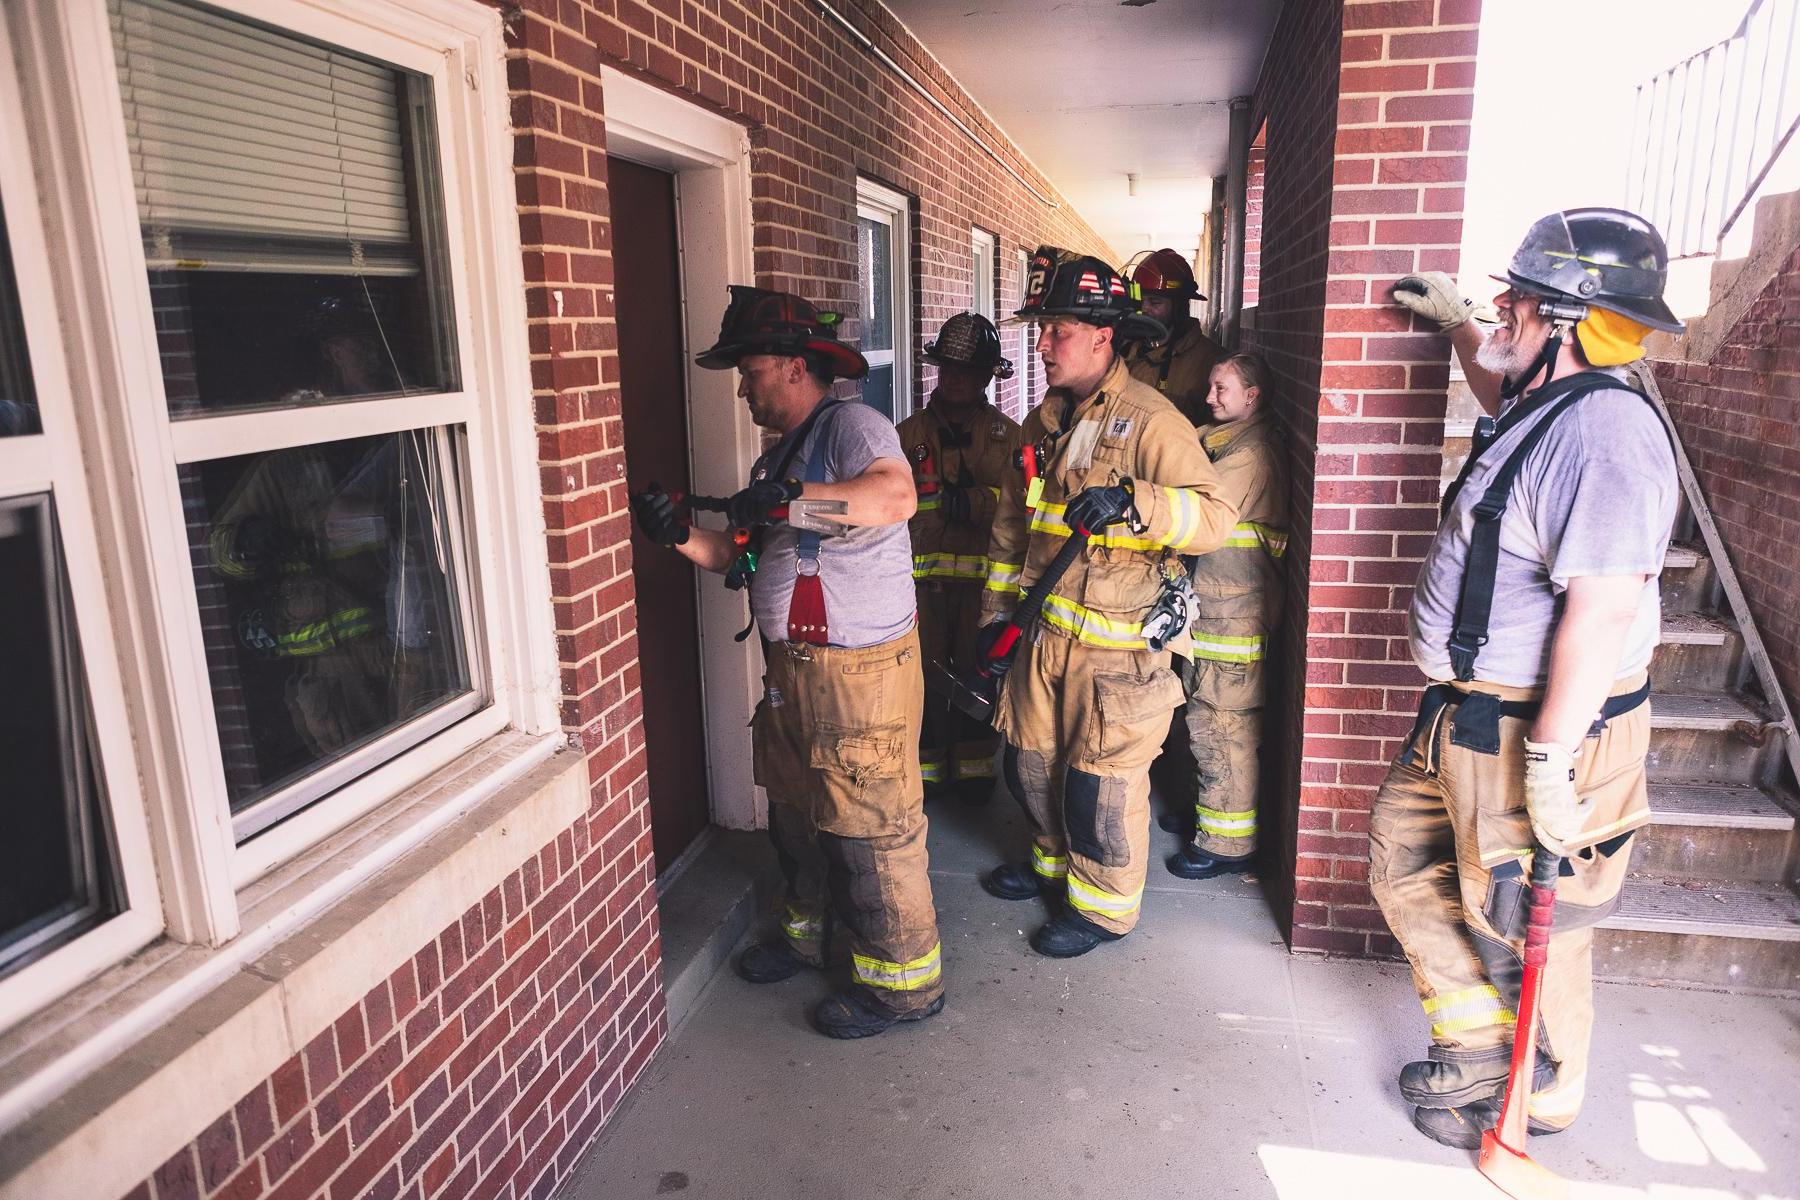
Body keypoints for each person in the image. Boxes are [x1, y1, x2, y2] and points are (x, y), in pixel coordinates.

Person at [1374, 209, 1684, 1147]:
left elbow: (1602, 609)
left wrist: (1550, 759)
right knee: (1402, 857)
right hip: (1472, 715)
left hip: (1542, 727)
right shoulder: (1549, 403)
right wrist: (1464, 326)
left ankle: (1542, 1088)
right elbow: (1506, 377)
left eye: (1518, 300)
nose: (1501, 307)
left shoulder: (1609, 439)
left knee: (1517, 911)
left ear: (1570, 322)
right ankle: (1478, 1047)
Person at [629, 286, 945, 1039]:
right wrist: (676, 533)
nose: (742, 385)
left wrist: (790, 503)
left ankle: (903, 987)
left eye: (752, 368)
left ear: (798, 368)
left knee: (870, 830)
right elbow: (733, 558)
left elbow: (894, 498)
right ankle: (808, 938)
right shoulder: (780, 457)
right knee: (797, 813)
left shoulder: (852, 427)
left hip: (860, 679)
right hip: (794, 674)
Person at [978, 247, 1238, 958]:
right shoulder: (1043, 423)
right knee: (1029, 763)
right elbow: (1011, 531)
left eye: (1057, 330)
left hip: (1120, 654)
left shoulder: (1151, 420)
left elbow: (1215, 518)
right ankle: (1050, 868)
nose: (1042, 344)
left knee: (1099, 786)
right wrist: (995, 622)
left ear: (1103, 335)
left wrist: (1136, 503)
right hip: (1042, 640)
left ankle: (1101, 909)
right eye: (1041, 329)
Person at [1163, 352, 1288, 880]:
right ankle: (1206, 817)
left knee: (1223, 725)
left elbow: (1196, 512)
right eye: (1211, 388)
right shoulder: (1224, 441)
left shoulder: (1251, 455)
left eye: (1222, 391)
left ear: (1252, 396)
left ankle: (1227, 843)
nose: (1209, 398)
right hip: (1214, 608)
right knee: (1203, 715)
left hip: (1235, 614)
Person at [896, 313, 1023, 800]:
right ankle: (924, 776)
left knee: (976, 677)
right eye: (947, 368)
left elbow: (1024, 508)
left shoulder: (1008, 437)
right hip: (919, 588)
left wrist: (971, 503)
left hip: (982, 589)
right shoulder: (906, 437)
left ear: (988, 376)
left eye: (966, 371)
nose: (954, 379)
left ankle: (973, 774)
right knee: (922, 680)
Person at [1123, 248, 1226, 427]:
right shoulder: (1124, 351)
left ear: (1179, 308)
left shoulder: (1211, 363)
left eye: (1155, 302)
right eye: (1141, 301)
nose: (1144, 309)